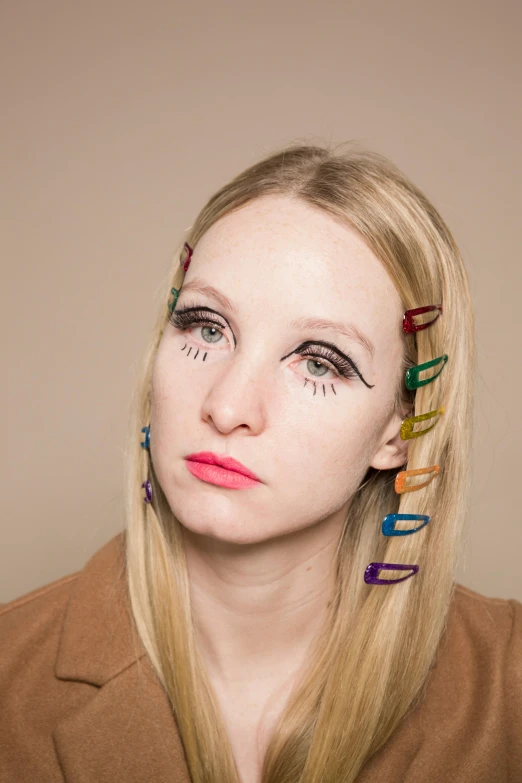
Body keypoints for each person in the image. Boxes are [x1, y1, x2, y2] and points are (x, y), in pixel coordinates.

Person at [1, 143, 520, 783]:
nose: (228, 407)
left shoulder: (509, 686)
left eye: (320, 361)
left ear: (400, 430)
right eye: (206, 327)